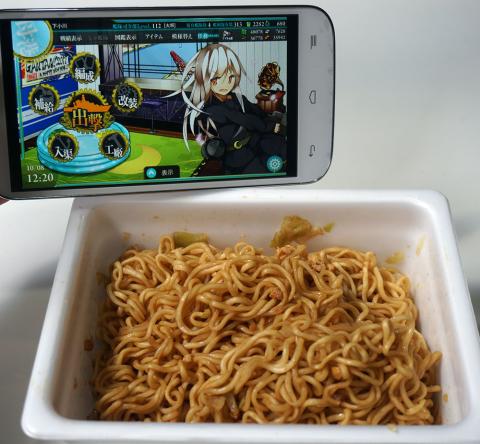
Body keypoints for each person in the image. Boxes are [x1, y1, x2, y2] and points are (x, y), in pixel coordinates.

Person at [170, 43, 286, 175]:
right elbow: (247, 120)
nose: (226, 83)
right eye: (217, 77)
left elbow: (256, 111)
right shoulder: (211, 108)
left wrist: (274, 119)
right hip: (239, 159)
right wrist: (270, 126)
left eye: (231, 77)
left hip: (256, 144)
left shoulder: (237, 97)